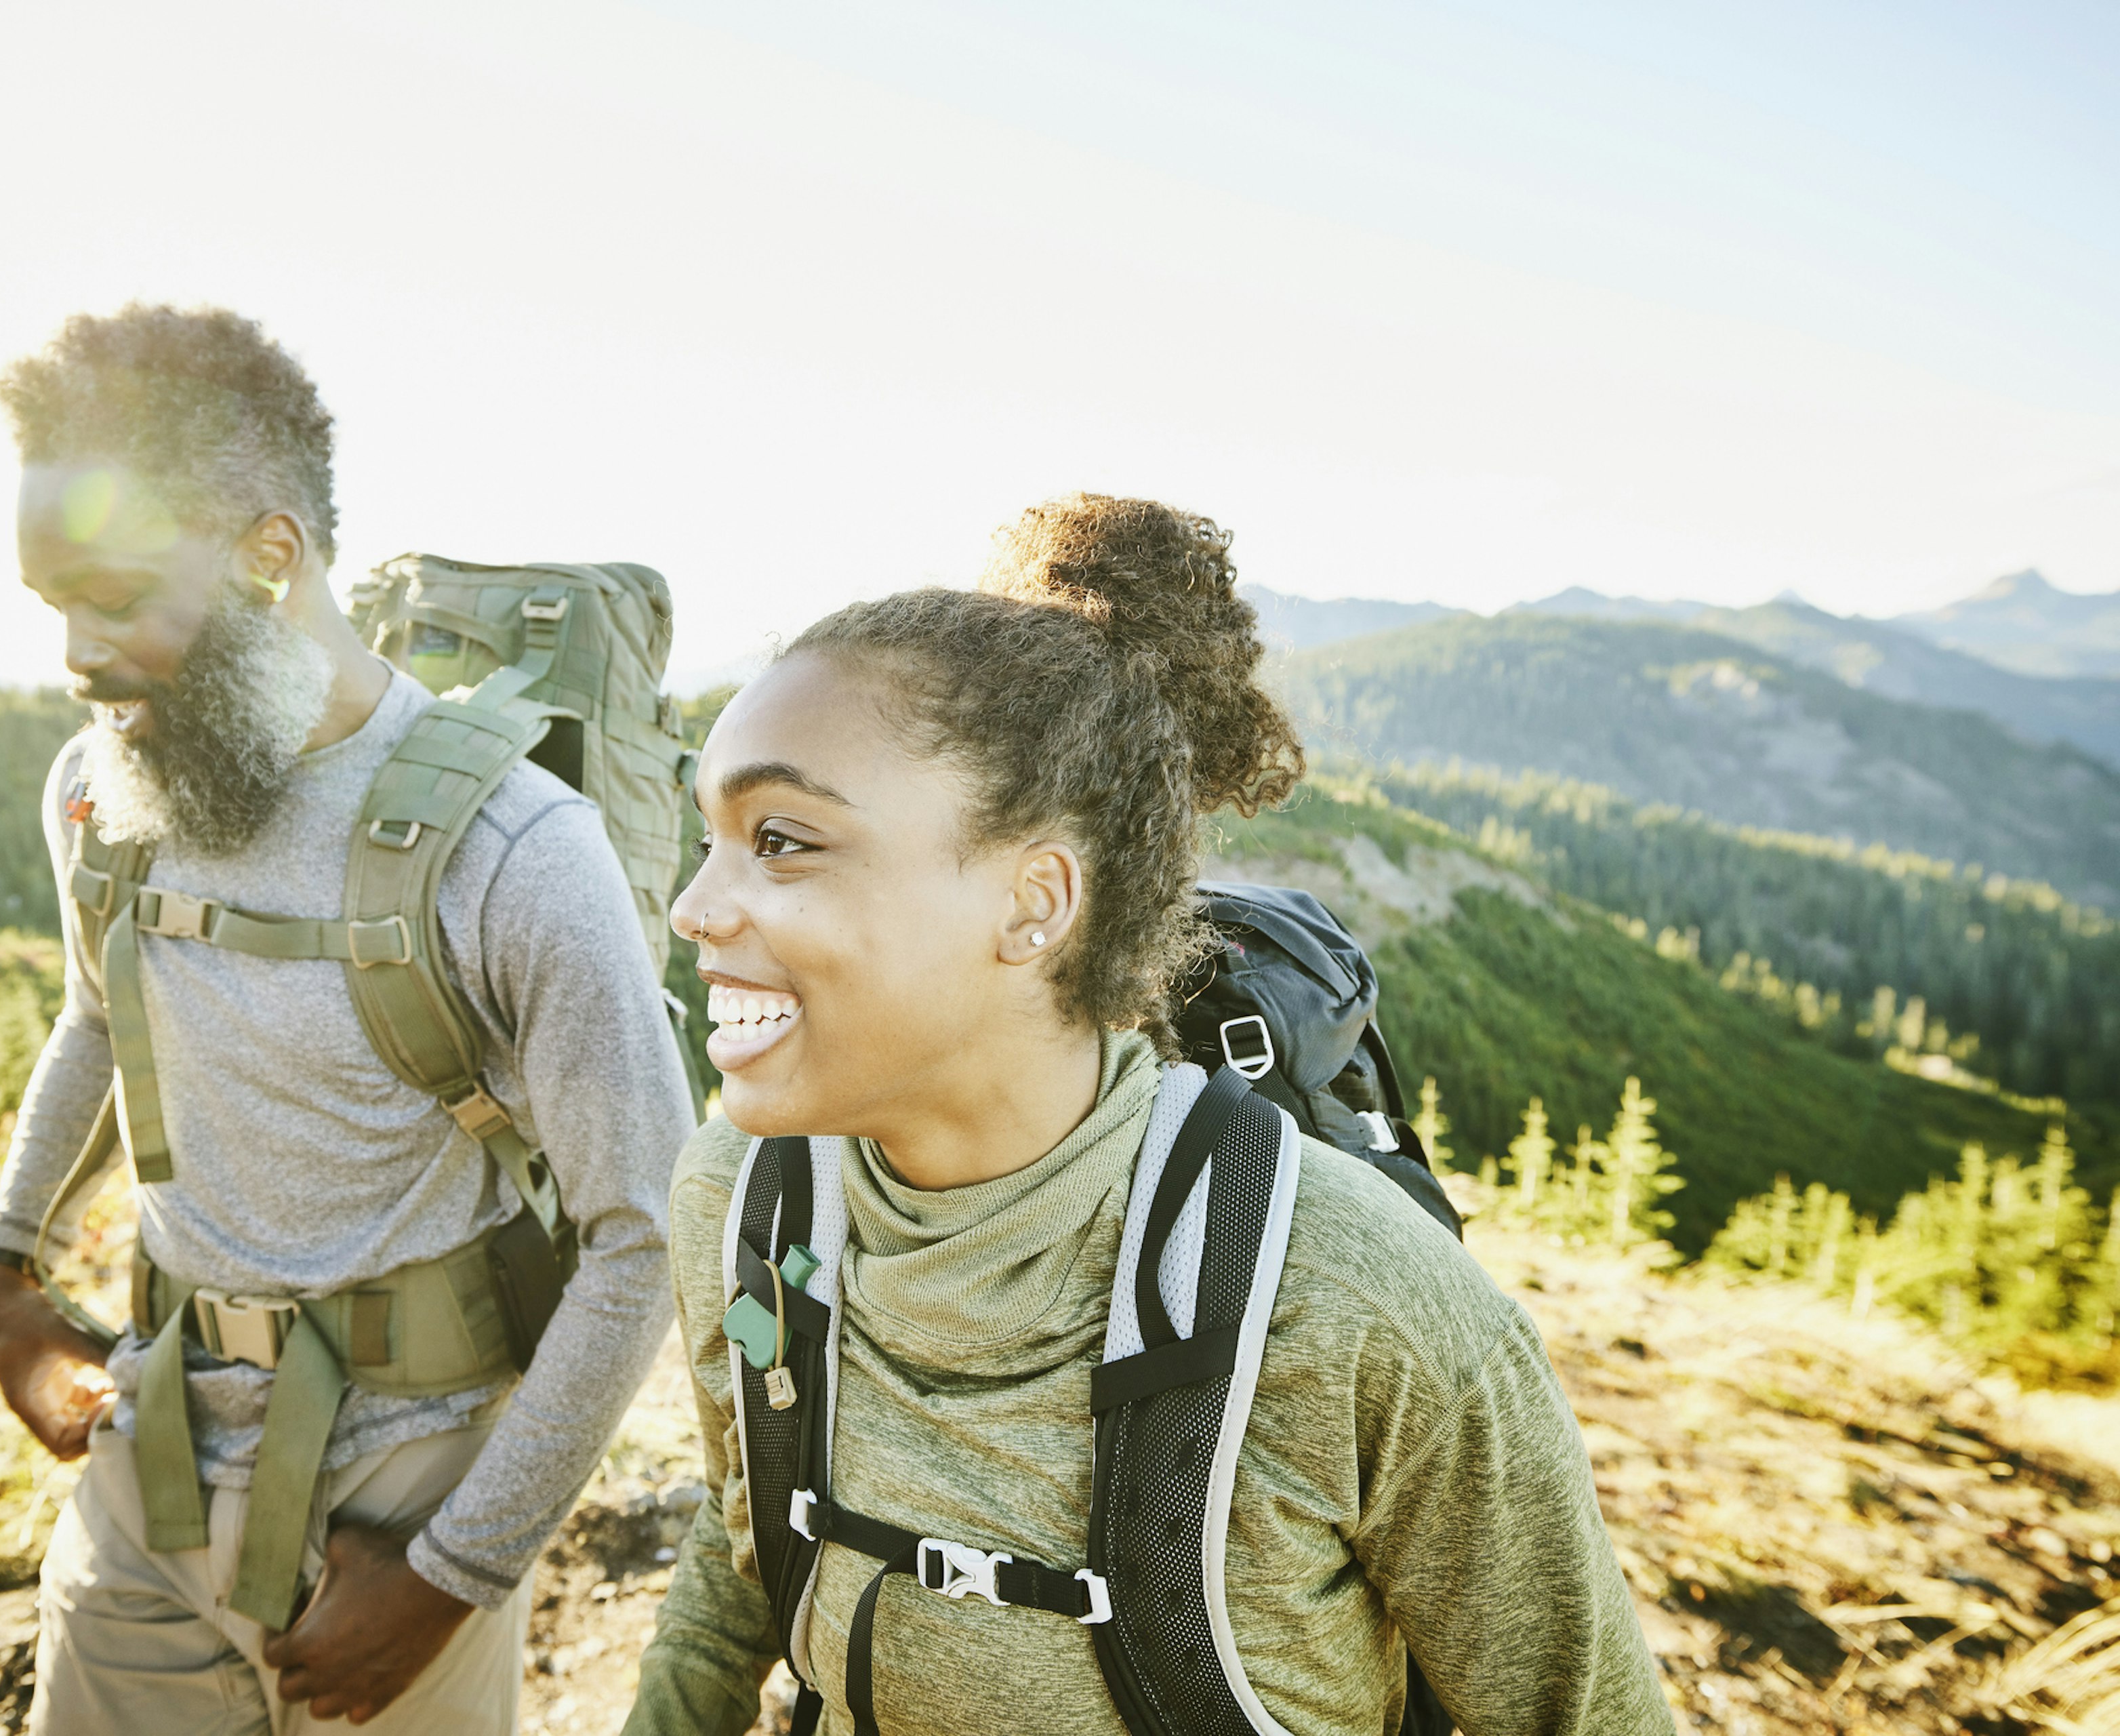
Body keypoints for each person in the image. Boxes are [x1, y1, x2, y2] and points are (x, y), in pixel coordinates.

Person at [621, 496, 1671, 1735]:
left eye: (782, 840)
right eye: (711, 838)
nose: (695, 907)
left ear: (1034, 904)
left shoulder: (1353, 1306)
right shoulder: (740, 1195)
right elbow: (747, 1516)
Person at [0, 304, 694, 1735]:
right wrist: (2, 1266)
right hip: (149, 1452)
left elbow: (645, 1233)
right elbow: (100, 1020)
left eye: (112, 598)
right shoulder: (99, 790)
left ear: (268, 554)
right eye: (51, 604)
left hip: (410, 1486)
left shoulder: (516, 849)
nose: (75, 654)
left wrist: (451, 1572)